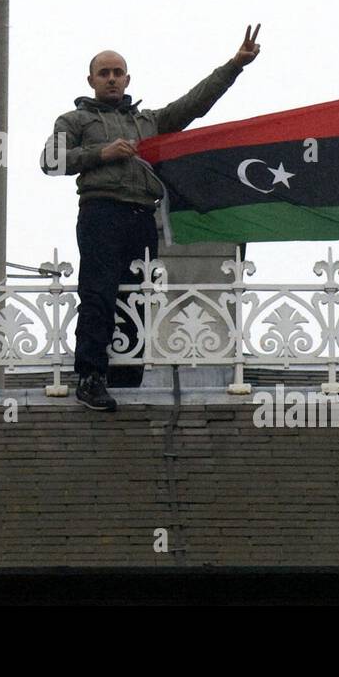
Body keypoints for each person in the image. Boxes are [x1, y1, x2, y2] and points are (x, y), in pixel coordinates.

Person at [41, 25, 262, 412]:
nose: (111, 78)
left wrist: (235, 65)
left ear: (128, 79)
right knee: (98, 293)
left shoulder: (147, 121)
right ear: (90, 80)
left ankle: (128, 379)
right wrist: (100, 154)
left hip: (142, 215)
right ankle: (90, 376)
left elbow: (194, 104)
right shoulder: (73, 120)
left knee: (137, 296)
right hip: (101, 211)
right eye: (104, 73)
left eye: (118, 72)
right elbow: (50, 161)